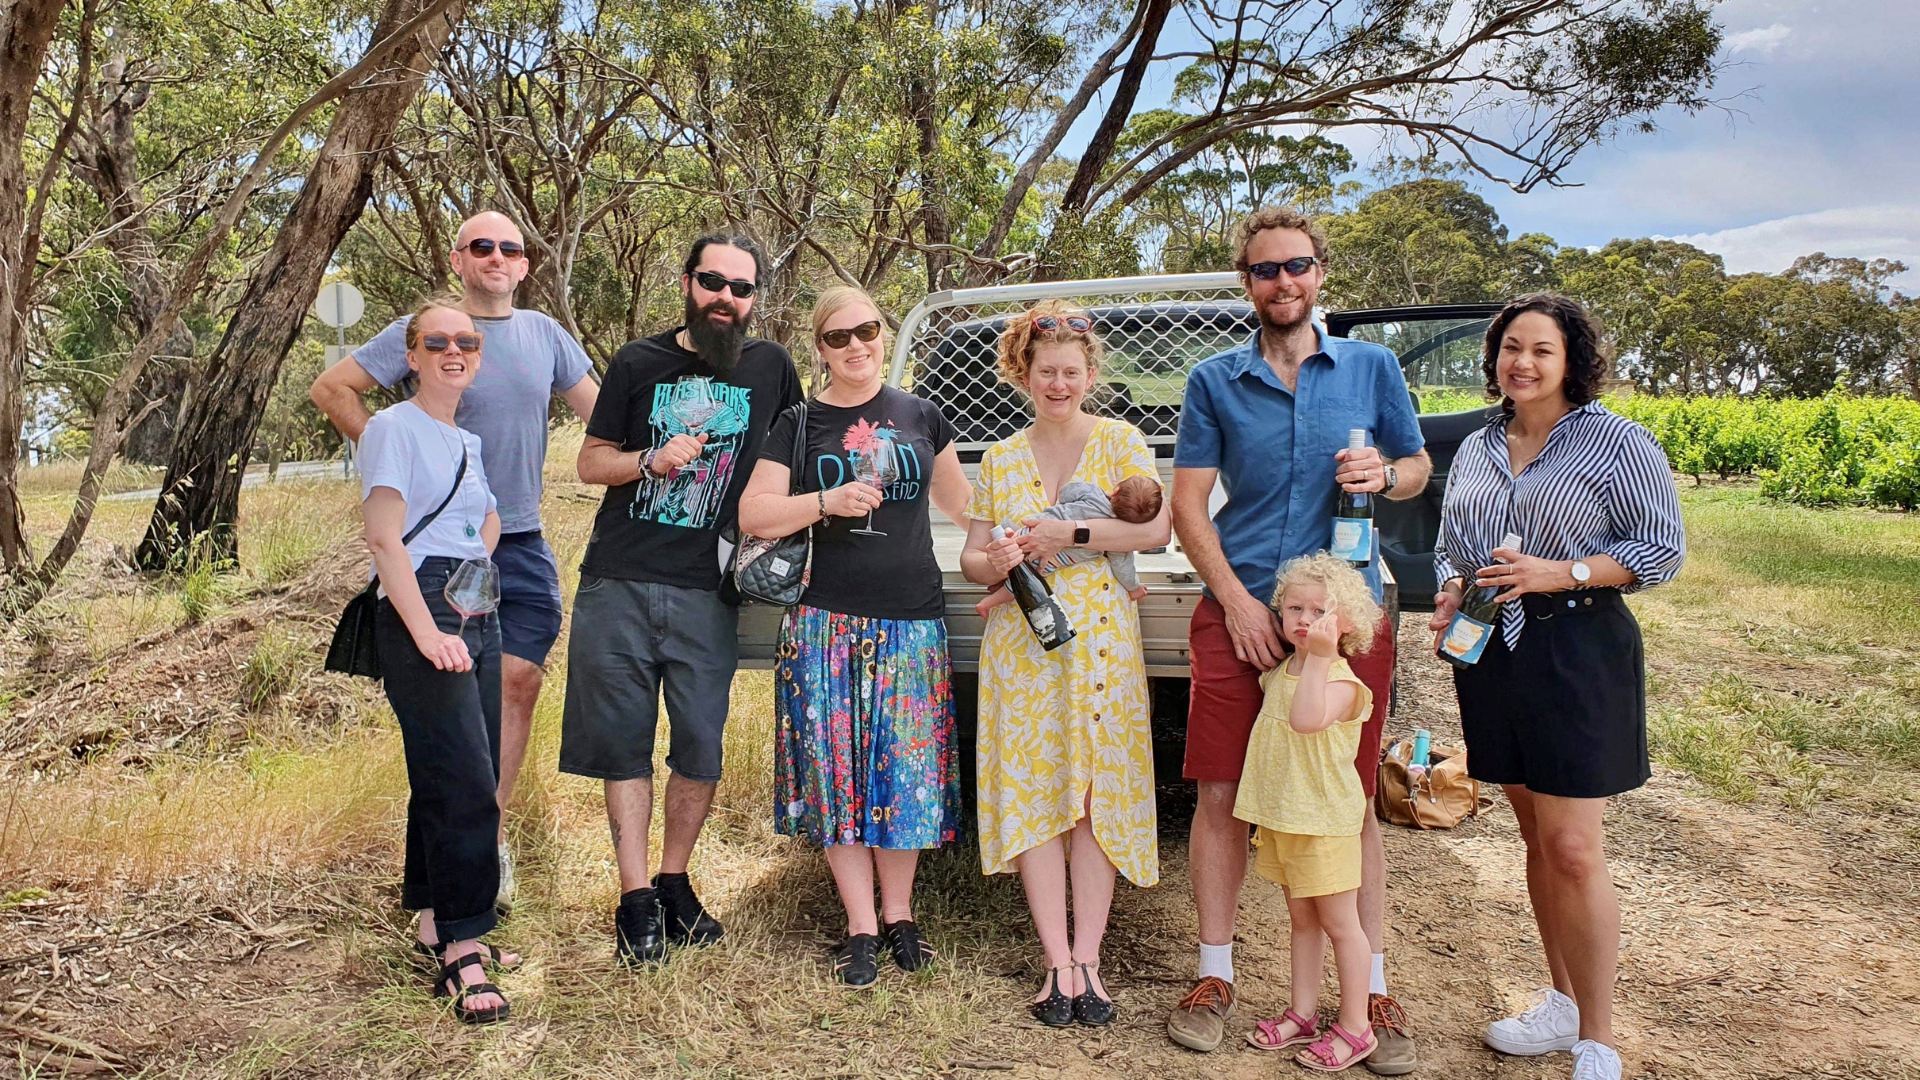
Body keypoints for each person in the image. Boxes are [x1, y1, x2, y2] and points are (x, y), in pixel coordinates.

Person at [1166, 205, 1430, 1075]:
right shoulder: (1213, 380)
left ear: (1321, 273)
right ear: (1246, 282)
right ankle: (1215, 975)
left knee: (1349, 802)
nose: (1283, 282)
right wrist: (1239, 604)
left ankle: (1371, 988)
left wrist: (1387, 475)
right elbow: (1188, 505)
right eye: (1265, 270)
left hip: (1347, 620)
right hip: (1243, 609)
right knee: (1220, 793)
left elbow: (1417, 466)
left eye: (1297, 266)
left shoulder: (1372, 367)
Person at [312, 211, 598, 912]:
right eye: (481, 246)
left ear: (526, 264)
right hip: (445, 557)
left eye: (510, 247)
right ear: (458, 258)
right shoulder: (428, 328)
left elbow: (606, 417)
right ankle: (466, 861)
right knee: (464, 705)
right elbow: (331, 388)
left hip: (521, 542)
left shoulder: (545, 335)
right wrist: (394, 453)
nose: (497, 256)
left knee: (520, 683)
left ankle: (485, 835)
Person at [1429, 294, 1683, 1080]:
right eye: (1511, 348)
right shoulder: (1476, 445)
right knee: (1535, 837)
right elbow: (1452, 544)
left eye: (1541, 349)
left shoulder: (1617, 442)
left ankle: (1598, 1039)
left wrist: (1557, 573)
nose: (1524, 363)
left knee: (1574, 848)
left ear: (1571, 359)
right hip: (1494, 653)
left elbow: (1661, 550)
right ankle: (1561, 1005)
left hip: (1578, 646)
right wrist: (1448, 590)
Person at [560, 234, 802, 966]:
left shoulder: (771, 368)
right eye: (712, 282)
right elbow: (589, 461)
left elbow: (797, 448)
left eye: (742, 287)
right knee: (623, 744)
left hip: (710, 589)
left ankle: (674, 884)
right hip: (620, 582)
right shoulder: (638, 361)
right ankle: (635, 898)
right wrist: (649, 460)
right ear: (688, 283)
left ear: (755, 299)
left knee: (700, 747)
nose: (725, 298)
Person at [737, 286, 973, 987]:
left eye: (867, 329)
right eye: (838, 337)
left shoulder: (922, 414)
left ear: (883, 329)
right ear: (821, 348)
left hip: (911, 621)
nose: (856, 345)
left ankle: (900, 915)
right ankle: (859, 927)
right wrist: (825, 503)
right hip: (824, 622)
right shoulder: (800, 422)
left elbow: (968, 507)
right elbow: (755, 512)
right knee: (837, 776)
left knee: (902, 776)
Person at [959, 300, 1171, 1028]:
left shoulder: (1120, 440)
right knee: (1042, 799)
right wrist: (991, 558)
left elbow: (1154, 524)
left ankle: (1092, 959)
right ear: (1025, 372)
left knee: (1092, 801)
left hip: (1103, 651)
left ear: (1089, 374)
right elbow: (971, 557)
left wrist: (1067, 529)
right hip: (1024, 649)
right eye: (1046, 372)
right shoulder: (999, 457)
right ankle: (1056, 960)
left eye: (1071, 372)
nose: (1059, 384)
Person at [358, 298, 518, 1024]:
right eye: (438, 341)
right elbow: (385, 539)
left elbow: (484, 515)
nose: (455, 351)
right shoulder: (393, 429)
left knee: (448, 772)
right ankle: (464, 948)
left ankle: (434, 917)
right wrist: (425, 633)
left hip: (472, 601)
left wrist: (479, 556)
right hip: (422, 605)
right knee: (467, 783)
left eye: (468, 342)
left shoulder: (467, 440)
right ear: (411, 355)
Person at [1237, 554, 1382, 1072]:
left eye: (1319, 610)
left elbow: (1303, 721)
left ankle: (1356, 1025)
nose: (1303, 618)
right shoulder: (1283, 670)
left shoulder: (1341, 682)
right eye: (1293, 607)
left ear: (1346, 624)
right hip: (1285, 816)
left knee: (1342, 925)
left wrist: (1319, 658)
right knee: (1302, 920)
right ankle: (1302, 1012)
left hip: (1323, 822)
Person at [974, 475, 1161, 615]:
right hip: (1052, 560)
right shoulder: (1118, 539)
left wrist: (1067, 505)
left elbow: (1067, 491)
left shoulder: (1093, 494)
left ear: (1116, 490)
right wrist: (1134, 588)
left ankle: (997, 578)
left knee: (1008, 542)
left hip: (1033, 528)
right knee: (1024, 582)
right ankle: (988, 603)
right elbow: (1123, 569)